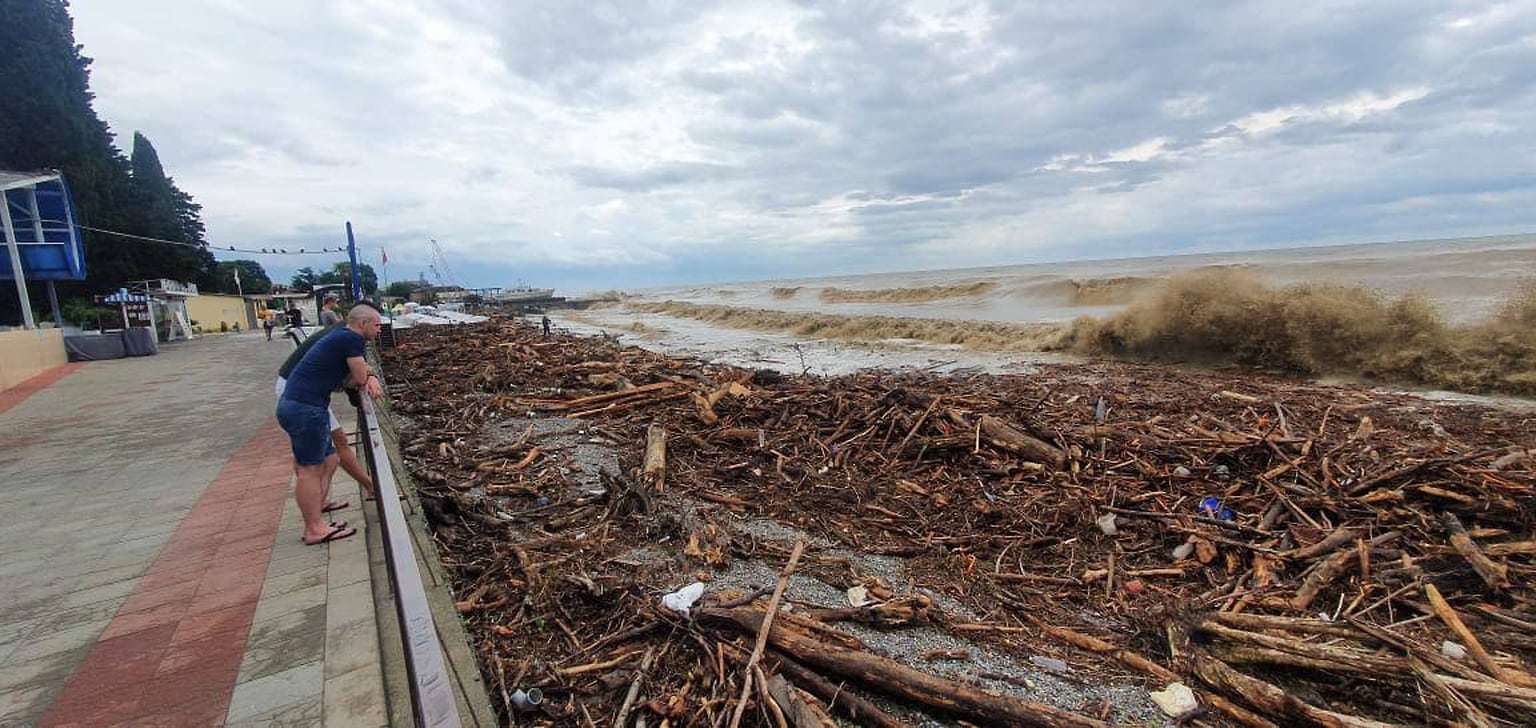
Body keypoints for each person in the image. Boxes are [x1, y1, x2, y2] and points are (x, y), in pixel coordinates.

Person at [276, 305, 383, 545]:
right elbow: (358, 378)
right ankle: (314, 529)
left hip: (301, 405)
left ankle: (317, 515)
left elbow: (343, 379)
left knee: (331, 459)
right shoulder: (350, 339)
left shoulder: (340, 336)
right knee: (308, 470)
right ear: (362, 324)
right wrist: (370, 376)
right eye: (376, 325)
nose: (379, 330)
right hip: (305, 409)